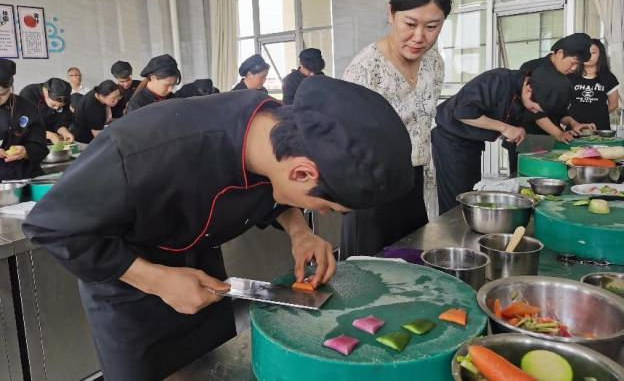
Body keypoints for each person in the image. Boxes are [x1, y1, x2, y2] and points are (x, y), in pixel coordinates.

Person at [23, 76, 414, 380]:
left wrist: (299, 231)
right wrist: (156, 280)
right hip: (129, 294)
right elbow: (51, 226)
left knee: (216, 371)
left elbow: (270, 187)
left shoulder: (277, 131)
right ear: (302, 173)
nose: (321, 213)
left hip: (206, 279)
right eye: (326, 207)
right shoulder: (146, 149)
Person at [340, 0, 450, 258]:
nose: (419, 37)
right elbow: (346, 148)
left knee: (413, 269)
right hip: (371, 192)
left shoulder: (434, 64)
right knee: (371, 274)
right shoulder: (365, 71)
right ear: (391, 13)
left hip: (415, 186)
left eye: (432, 27)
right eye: (410, 23)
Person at [432, 66, 595, 215]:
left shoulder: (527, 90)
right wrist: (504, 128)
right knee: (455, 199)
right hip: (450, 139)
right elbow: (462, 113)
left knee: (469, 193)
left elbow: (509, 114)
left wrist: (519, 130)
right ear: (528, 89)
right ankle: (450, 232)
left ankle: (464, 224)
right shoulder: (497, 80)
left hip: (473, 142)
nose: (534, 111)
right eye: (534, 108)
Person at [505, 33, 593, 173]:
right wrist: (558, 133)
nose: (574, 68)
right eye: (573, 63)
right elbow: (533, 111)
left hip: (551, 139)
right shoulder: (532, 68)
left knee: (551, 177)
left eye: (578, 65)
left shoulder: (566, 74)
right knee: (524, 177)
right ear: (560, 53)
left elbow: (560, 110)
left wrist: (573, 123)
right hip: (526, 137)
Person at [0, 59, 47, 180]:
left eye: (2, 94)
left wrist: (25, 151)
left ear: (10, 87)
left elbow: (40, 145)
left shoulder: (27, 108)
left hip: (22, 176)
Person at [568, 39, 619, 130]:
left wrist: (598, 114)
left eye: (593, 52)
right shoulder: (570, 76)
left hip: (600, 127)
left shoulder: (608, 78)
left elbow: (614, 104)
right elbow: (562, 103)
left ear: (600, 55)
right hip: (574, 127)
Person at [20, 78, 75, 144]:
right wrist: (50, 135)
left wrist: (64, 132)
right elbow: (25, 127)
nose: (56, 108)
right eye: (53, 105)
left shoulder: (66, 99)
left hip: (53, 140)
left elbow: (60, 122)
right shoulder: (28, 94)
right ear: (46, 93)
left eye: (60, 107)